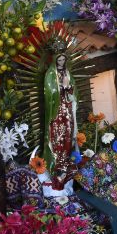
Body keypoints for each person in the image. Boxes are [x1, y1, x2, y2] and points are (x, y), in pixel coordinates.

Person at [42, 43, 79, 192]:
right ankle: (55, 168)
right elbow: (49, 92)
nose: (61, 63)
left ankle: (66, 167)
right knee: (56, 138)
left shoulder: (68, 74)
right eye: (59, 60)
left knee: (67, 139)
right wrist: (60, 88)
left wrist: (68, 88)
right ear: (55, 60)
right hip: (56, 112)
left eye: (63, 60)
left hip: (67, 111)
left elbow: (74, 93)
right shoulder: (50, 74)